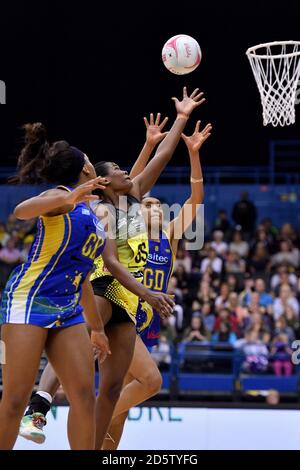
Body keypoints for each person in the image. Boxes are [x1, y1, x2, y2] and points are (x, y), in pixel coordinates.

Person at [19, 87, 205, 449]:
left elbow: (158, 161)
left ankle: (91, 443)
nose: (127, 173)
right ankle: (38, 404)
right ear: (102, 182)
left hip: (129, 300)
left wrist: (180, 119)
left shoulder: (131, 202)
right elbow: (109, 258)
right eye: (117, 170)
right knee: (82, 335)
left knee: (113, 388)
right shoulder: (103, 208)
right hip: (101, 283)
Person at [0, 123, 111, 450]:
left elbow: (84, 278)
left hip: (68, 306)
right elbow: (22, 211)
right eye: (90, 159)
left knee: (83, 395)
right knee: (15, 399)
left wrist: (97, 328)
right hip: (30, 299)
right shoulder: (61, 196)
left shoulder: (90, 210)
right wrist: (71, 196)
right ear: (86, 168)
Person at [103, 118, 212, 449]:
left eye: (158, 207)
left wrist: (193, 153)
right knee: (146, 383)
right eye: (148, 205)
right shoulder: (124, 233)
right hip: (121, 312)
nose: (155, 209)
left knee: (122, 408)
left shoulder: (171, 236)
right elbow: (129, 191)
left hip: (147, 322)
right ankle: (96, 413)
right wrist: (149, 146)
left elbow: (196, 197)